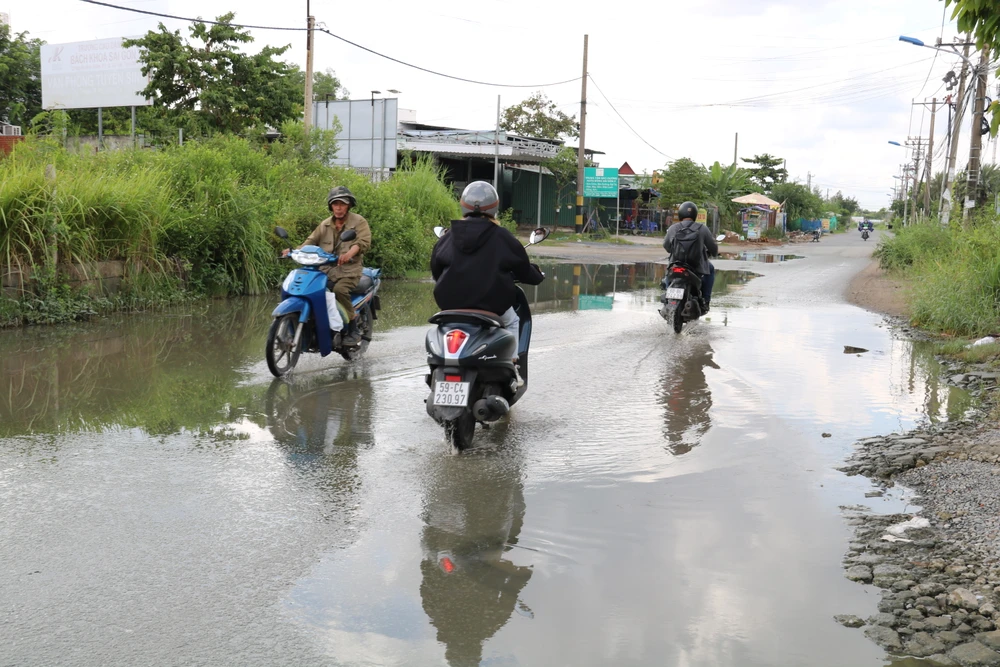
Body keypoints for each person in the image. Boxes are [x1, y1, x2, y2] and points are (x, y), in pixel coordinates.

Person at [430, 181, 544, 387]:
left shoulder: (448, 236)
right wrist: (537, 275)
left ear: (463, 205)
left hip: (450, 306)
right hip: (490, 305)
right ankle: (513, 367)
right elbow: (523, 269)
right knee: (512, 321)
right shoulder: (502, 236)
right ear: (494, 207)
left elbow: (436, 269)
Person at [285, 186, 371, 346]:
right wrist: (293, 251)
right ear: (331, 206)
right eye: (335, 204)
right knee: (311, 289)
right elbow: (310, 241)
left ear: (349, 205)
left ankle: (353, 327)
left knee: (340, 290)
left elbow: (362, 243)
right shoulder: (324, 225)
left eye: (342, 204)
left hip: (349, 271)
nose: (338, 207)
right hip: (325, 271)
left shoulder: (359, 222)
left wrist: (349, 254)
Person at [663, 201, 718, 313]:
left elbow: (666, 246)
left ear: (680, 214)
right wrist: (713, 252)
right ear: (695, 215)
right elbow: (713, 248)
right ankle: (706, 301)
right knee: (710, 269)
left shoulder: (673, 228)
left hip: (676, 263)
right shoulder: (702, 228)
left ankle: (667, 299)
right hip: (696, 267)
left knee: (668, 274)